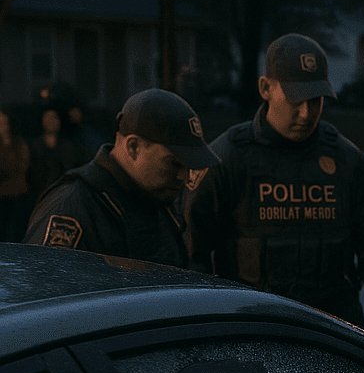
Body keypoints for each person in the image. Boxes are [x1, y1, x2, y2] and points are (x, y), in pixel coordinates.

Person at [185, 33, 364, 342]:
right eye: (296, 99)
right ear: (265, 88)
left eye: (316, 101)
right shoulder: (228, 158)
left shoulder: (345, 160)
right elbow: (193, 253)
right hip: (254, 329)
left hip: (334, 329)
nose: (306, 113)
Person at [24, 88, 218, 266]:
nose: (184, 176)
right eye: (174, 163)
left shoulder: (158, 200)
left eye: (188, 165)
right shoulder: (73, 206)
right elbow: (43, 295)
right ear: (133, 147)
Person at [0, 108, 32, 242]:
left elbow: (23, 168)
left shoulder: (20, 144)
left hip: (20, 196)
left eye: (4, 122)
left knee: (18, 234)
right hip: (2, 198)